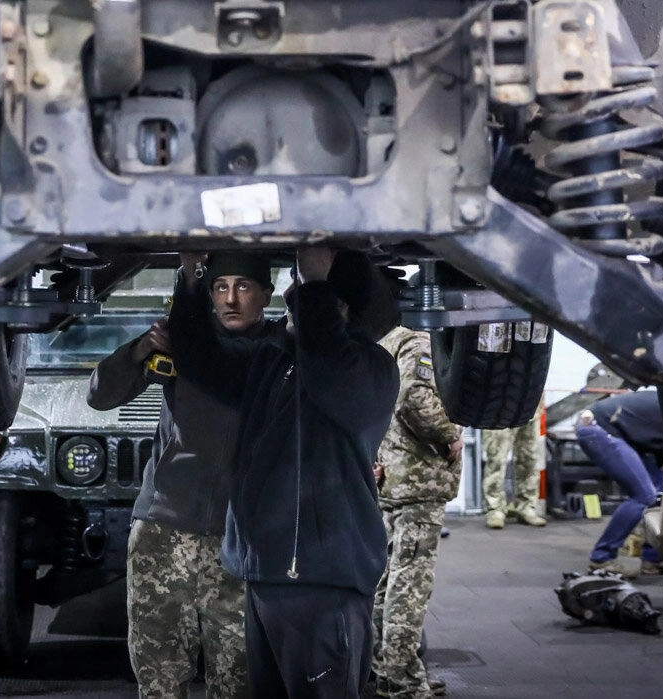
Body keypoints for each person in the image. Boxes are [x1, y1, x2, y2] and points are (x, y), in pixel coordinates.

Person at [173, 247, 399, 698]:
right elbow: (199, 358)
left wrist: (316, 278)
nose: (292, 299)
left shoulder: (368, 368)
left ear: (338, 308)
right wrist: (190, 279)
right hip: (267, 575)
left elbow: (328, 359)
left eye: (303, 294)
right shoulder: (275, 361)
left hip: (321, 582)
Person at [87, 252, 280, 699]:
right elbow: (100, 394)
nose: (231, 299)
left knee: (237, 682)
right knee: (159, 680)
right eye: (220, 286)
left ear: (266, 295)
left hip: (240, 541)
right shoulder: (184, 342)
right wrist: (142, 349)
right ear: (208, 294)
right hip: (164, 532)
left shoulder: (280, 348)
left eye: (244, 286)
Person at [371, 319, 461, 699]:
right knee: (409, 586)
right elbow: (416, 398)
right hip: (417, 481)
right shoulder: (419, 342)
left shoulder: (385, 339)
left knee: (387, 581)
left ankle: (382, 668)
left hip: (392, 476)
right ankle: (403, 682)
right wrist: (449, 434)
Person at [574, 388, 663, 577]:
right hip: (598, 427)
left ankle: (653, 560)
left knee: (662, 492)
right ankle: (601, 558)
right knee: (644, 495)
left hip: (616, 430)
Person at [478, 324, 550, 529]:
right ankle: (495, 508)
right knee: (496, 458)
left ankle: (526, 506)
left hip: (530, 401)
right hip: (498, 401)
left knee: (529, 458)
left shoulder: (536, 325)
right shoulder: (493, 324)